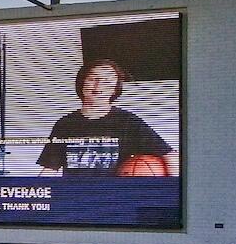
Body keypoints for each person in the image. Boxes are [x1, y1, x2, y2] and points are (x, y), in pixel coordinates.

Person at [36, 58, 175, 177]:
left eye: (107, 80)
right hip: (76, 200)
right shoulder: (65, 124)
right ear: (81, 83)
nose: (99, 85)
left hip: (116, 201)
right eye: (92, 78)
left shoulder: (129, 122)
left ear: (115, 89)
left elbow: (171, 156)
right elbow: (50, 169)